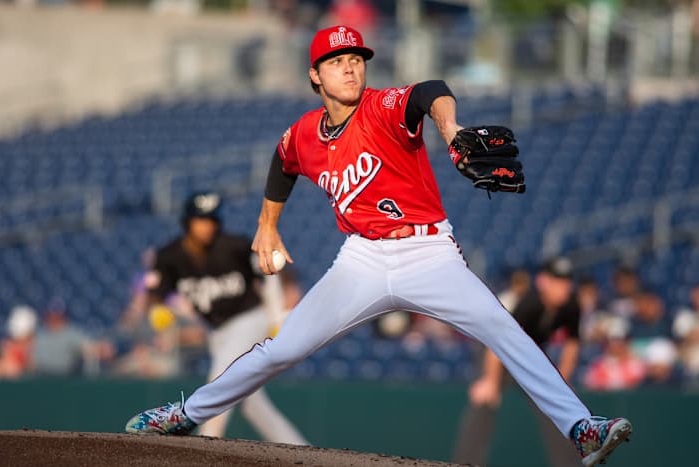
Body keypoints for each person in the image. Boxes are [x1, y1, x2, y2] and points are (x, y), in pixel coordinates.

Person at [125, 25, 631, 466]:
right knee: (283, 348)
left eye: (355, 60)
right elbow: (283, 163)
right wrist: (267, 225)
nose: (350, 69)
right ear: (314, 77)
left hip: (428, 253)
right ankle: (185, 415)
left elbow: (430, 89)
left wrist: (450, 127)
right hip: (362, 258)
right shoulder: (303, 132)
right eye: (336, 62)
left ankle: (582, 428)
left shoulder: (381, 107)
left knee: (503, 327)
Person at [128, 191, 307, 444]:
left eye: (211, 220)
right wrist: (158, 308)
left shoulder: (234, 246)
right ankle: (299, 449)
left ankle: (206, 446)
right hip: (216, 331)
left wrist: (276, 316)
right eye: (200, 220)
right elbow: (156, 293)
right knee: (251, 403)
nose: (206, 226)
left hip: (250, 320)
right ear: (188, 222)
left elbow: (270, 275)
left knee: (220, 378)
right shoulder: (170, 256)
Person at [452, 257, 585, 467]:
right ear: (543, 281)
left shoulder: (571, 305)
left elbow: (572, 344)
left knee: (561, 406)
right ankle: (464, 464)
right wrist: (490, 381)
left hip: (530, 356)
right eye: (557, 281)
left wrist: (561, 382)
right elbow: (498, 340)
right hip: (498, 352)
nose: (563, 287)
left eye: (566, 282)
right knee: (484, 398)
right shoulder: (530, 304)